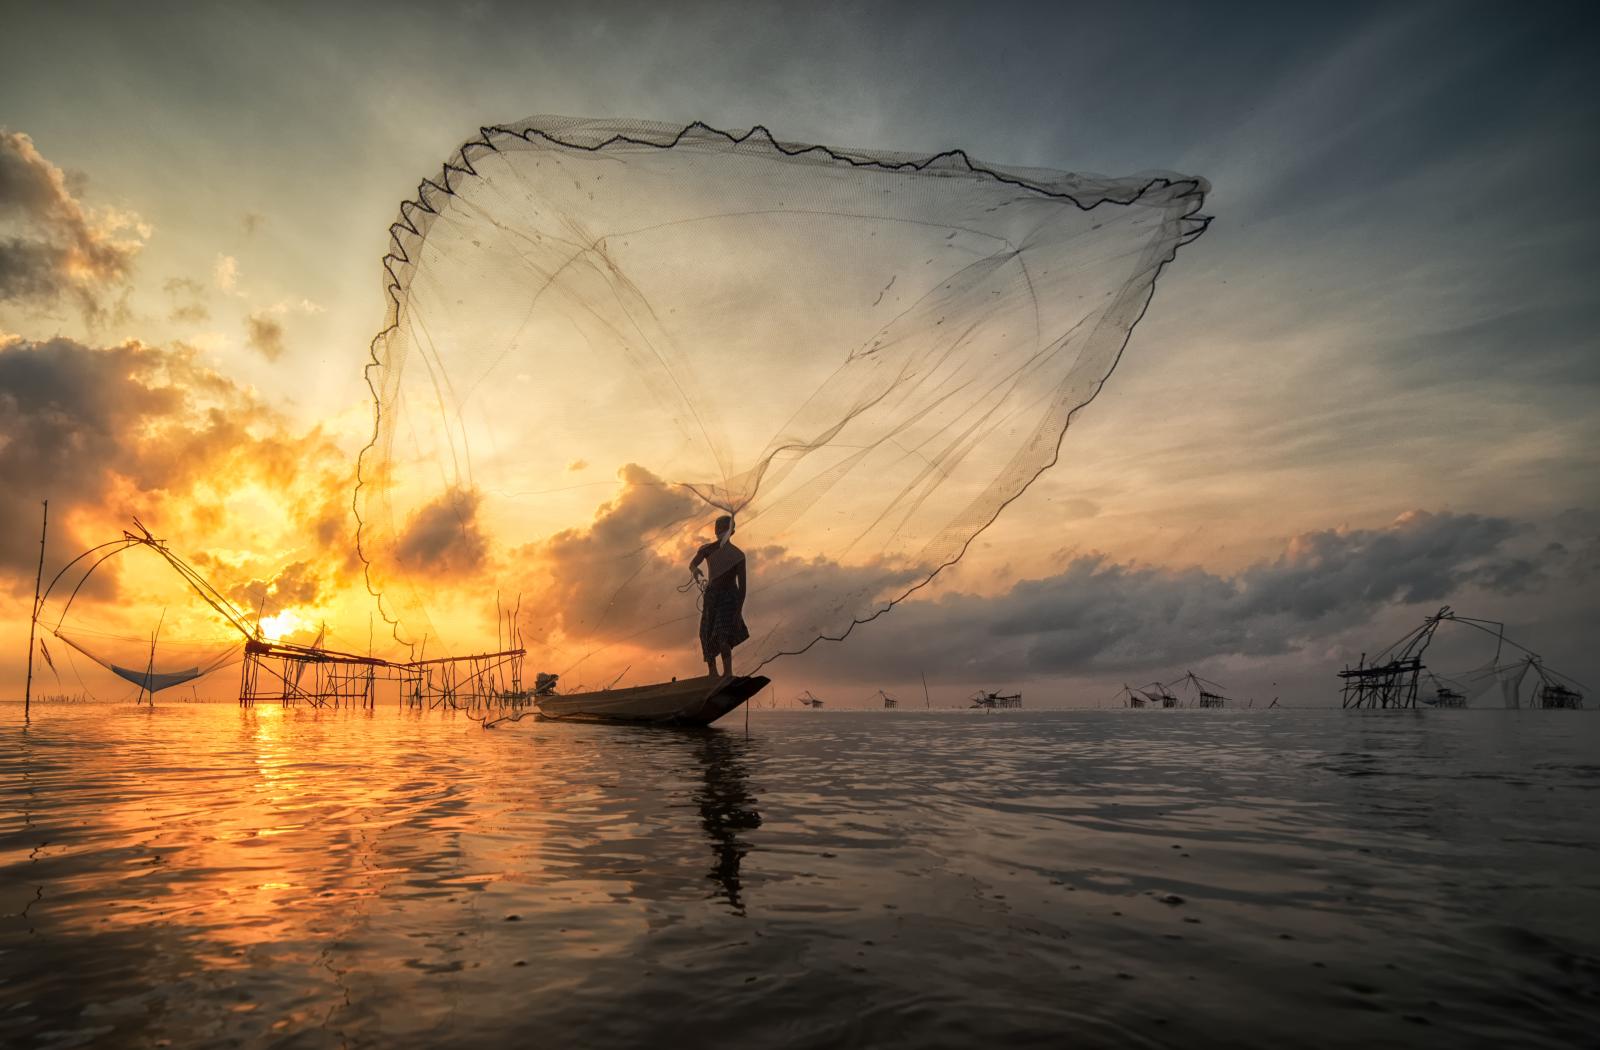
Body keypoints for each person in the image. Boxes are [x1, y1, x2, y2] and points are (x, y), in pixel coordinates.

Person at [690, 514, 748, 679]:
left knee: (723, 634)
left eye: (724, 528)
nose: (720, 531)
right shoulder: (707, 549)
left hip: (729, 598)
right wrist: (694, 570)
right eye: (718, 528)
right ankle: (713, 673)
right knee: (706, 634)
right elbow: (693, 563)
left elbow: (743, 588)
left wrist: (738, 611)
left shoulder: (738, 556)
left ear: (732, 532)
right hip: (712, 597)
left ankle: (728, 673)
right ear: (714, 530)